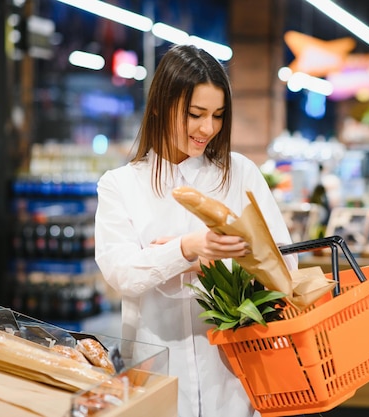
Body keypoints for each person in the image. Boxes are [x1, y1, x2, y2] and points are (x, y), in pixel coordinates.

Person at [94, 44, 298, 417]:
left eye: (218, 115)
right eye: (195, 114)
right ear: (159, 105)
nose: (208, 128)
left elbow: (286, 266)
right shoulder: (120, 184)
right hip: (157, 372)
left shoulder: (240, 174)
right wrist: (187, 249)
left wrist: (208, 262)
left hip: (233, 378)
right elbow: (120, 272)